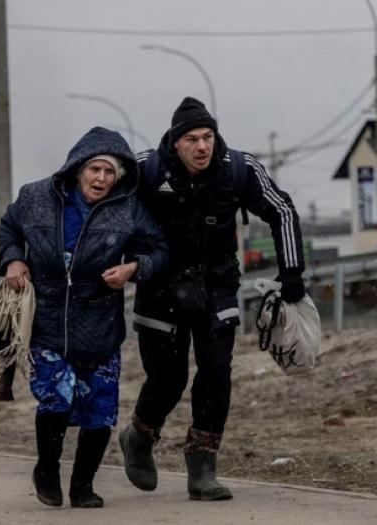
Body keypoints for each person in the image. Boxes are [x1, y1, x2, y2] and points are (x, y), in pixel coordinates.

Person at [119, 97, 306, 501]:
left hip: (216, 285)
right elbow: (99, 202)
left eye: (207, 136)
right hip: (160, 286)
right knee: (169, 379)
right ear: (175, 142)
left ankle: (202, 467)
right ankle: (138, 436)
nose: (202, 146)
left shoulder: (239, 168)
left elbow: (282, 211)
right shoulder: (144, 169)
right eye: (192, 139)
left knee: (216, 374)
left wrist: (291, 272)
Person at [0, 126, 168, 509]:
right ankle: (46, 470)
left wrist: (132, 269)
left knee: (99, 410)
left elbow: (159, 250)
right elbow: (9, 228)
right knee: (56, 398)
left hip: (100, 324)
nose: (102, 179)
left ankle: (83, 485)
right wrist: (14, 259)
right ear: (77, 169)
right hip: (47, 321)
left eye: (110, 172)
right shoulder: (36, 197)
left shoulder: (129, 209)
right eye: (95, 169)